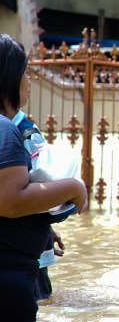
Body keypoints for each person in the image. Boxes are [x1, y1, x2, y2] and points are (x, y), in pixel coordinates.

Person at [0, 33, 88, 321]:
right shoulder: (5, 130)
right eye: (25, 72)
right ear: (8, 78)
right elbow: (10, 201)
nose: (29, 81)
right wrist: (73, 187)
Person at [12, 109, 66, 301]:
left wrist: (45, 225)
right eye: (24, 76)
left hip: (29, 244)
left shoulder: (21, 126)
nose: (28, 80)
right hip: (20, 251)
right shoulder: (18, 129)